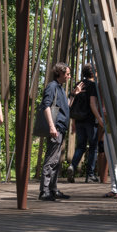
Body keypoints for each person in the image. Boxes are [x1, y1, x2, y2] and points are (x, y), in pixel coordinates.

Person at [39, 62, 71, 201]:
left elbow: (65, 106)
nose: (69, 76)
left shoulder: (60, 88)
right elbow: (46, 106)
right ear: (60, 73)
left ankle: (53, 189)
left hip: (60, 127)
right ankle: (44, 191)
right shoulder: (52, 87)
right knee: (51, 160)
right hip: (56, 128)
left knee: (56, 161)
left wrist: (74, 95)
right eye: (67, 74)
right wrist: (52, 126)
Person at [67, 63, 102, 183]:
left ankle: (72, 166)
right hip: (90, 121)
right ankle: (90, 175)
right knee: (93, 147)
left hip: (79, 120)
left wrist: (73, 122)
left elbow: (74, 104)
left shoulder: (78, 84)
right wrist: (100, 119)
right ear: (94, 73)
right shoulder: (93, 85)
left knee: (80, 146)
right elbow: (93, 104)